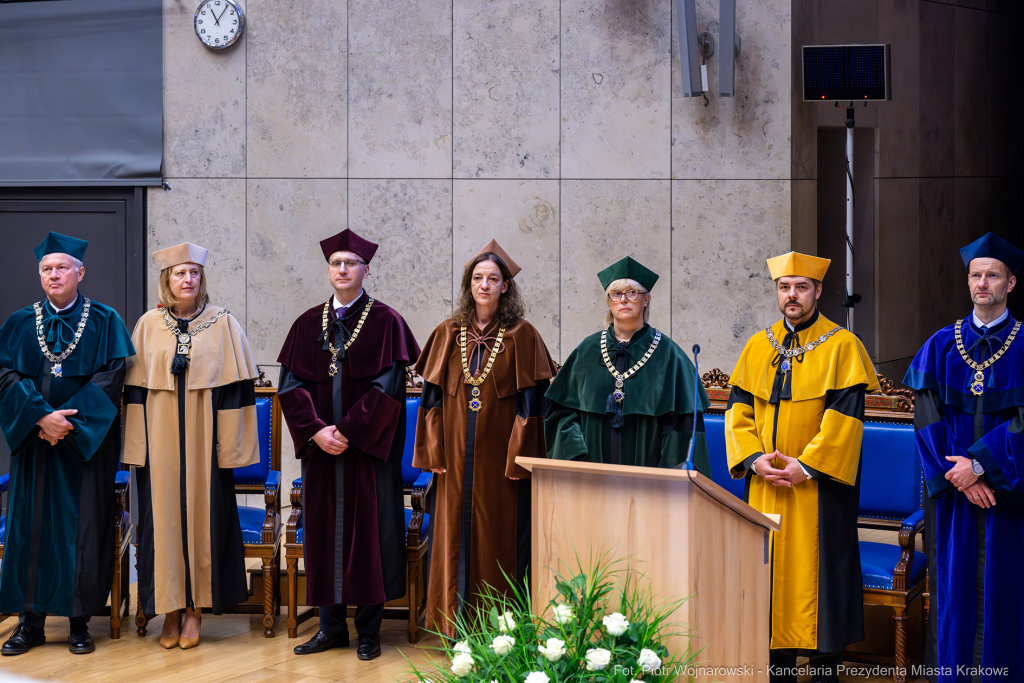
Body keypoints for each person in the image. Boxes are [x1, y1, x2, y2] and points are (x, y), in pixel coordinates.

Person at [725, 252, 877, 683]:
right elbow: (738, 415)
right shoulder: (758, 345)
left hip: (820, 490)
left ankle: (826, 672)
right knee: (769, 578)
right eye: (784, 287)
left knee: (822, 582)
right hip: (767, 485)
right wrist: (755, 460)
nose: (792, 295)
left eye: (801, 287)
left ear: (818, 291)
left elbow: (845, 418)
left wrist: (807, 467)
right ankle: (778, 673)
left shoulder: (842, 345)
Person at [277, 229, 419, 660]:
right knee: (323, 534)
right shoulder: (306, 323)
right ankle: (330, 628)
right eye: (336, 263)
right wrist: (318, 431)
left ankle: (370, 631)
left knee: (371, 535)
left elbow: (389, 386)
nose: (343, 269)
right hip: (322, 453)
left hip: (368, 454)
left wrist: (349, 432)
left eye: (351, 263)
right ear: (328, 271)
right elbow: (290, 385)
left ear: (366, 270)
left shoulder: (386, 321)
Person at [413, 239, 557, 637]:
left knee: (497, 540)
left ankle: (498, 630)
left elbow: (533, 404)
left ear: (505, 286)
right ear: (468, 284)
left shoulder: (522, 335)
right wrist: (433, 451)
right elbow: (431, 399)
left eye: (493, 279)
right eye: (477, 278)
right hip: (454, 460)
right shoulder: (447, 332)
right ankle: (450, 626)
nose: (484, 285)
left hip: (501, 463)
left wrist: (519, 460)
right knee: (452, 538)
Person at [0, 232, 134, 656]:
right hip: (35, 441)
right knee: (31, 528)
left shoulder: (106, 320)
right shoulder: (21, 322)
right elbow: (5, 376)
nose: (53, 274)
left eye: (61, 267)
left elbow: (112, 377)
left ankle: (80, 621)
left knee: (85, 528)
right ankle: (30, 623)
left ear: (80, 272)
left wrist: (67, 424)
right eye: (46, 269)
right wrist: (40, 416)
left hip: (84, 445)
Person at [122, 243, 260, 650]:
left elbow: (238, 390)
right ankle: (169, 609)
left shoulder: (223, 323)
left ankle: (196, 609)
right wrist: (136, 447)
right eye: (180, 273)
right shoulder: (148, 324)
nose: (188, 280)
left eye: (194, 273)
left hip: (207, 443)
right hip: (159, 439)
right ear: (167, 279)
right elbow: (132, 391)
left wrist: (229, 450)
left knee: (205, 520)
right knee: (160, 522)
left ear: (202, 278)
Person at [903, 232, 1024, 682]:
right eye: (975, 275)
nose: (982, 283)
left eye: (992, 275)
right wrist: (962, 476)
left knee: (1005, 591)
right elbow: (926, 418)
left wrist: (981, 467)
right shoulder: (939, 345)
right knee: (953, 593)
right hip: (953, 497)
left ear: (1010, 283)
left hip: (1007, 498)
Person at [546, 256, 710, 473]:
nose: (623, 299)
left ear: (646, 299)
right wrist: (578, 458)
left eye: (632, 292)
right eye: (616, 293)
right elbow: (561, 415)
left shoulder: (670, 355)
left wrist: (665, 479)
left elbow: (683, 429)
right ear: (609, 301)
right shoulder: (587, 350)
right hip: (591, 478)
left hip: (650, 482)